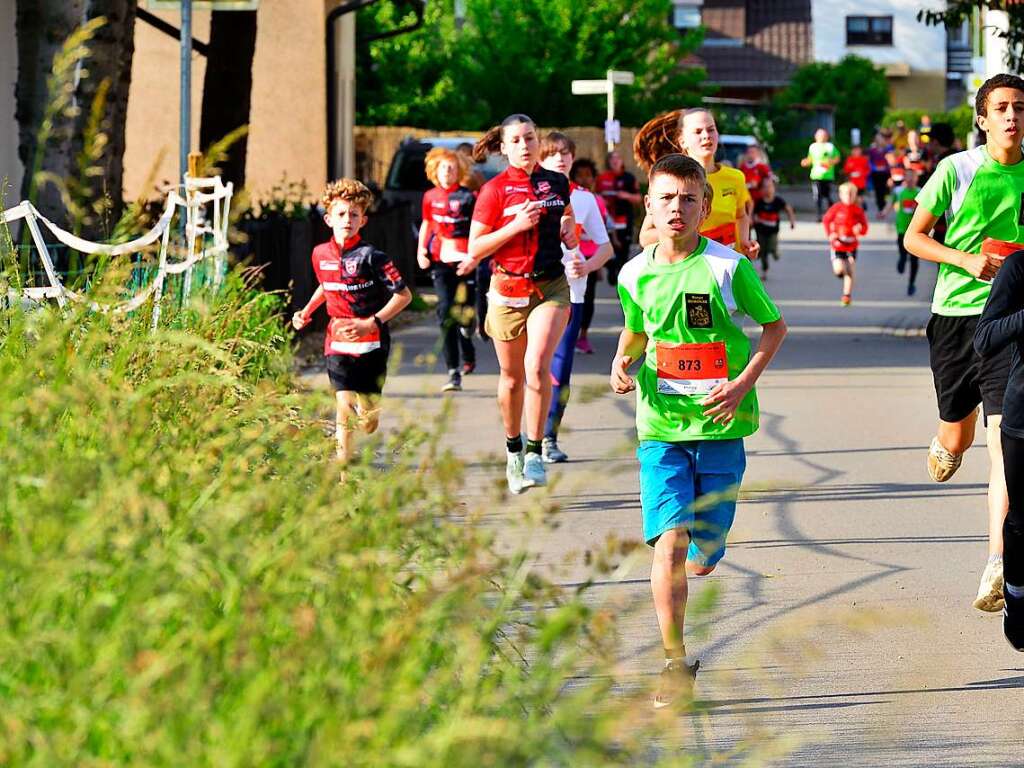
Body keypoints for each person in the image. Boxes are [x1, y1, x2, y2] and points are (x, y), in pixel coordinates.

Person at [610, 153, 787, 708]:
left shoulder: (728, 267)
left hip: (720, 424)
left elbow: (774, 327)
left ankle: (704, 556)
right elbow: (638, 331)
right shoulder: (633, 273)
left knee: (703, 552)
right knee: (669, 543)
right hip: (660, 425)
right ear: (650, 206)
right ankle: (673, 661)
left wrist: (741, 383)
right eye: (666, 198)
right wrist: (623, 360)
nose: (677, 209)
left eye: (689, 199)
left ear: (705, 206)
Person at [903, 73, 1024, 612]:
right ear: (982, 118)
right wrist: (967, 260)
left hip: (1013, 320)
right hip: (955, 315)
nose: (1012, 117)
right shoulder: (957, 169)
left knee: (1007, 445)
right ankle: (948, 437)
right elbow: (915, 237)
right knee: (959, 433)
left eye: (1020, 107)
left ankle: (998, 561)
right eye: (1001, 108)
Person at [457, 113, 578, 494]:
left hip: (551, 286)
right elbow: (475, 248)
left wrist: (569, 233)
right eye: (517, 140)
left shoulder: (557, 182)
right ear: (504, 147)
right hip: (508, 289)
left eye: (530, 138)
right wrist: (514, 226)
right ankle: (512, 451)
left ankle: (535, 451)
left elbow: (568, 228)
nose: (525, 145)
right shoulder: (492, 191)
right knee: (511, 378)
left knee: (537, 364)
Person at [292, 179, 413, 465]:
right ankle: (345, 475)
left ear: (363, 220)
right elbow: (327, 285)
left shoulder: (373, 257)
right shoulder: (320, 254)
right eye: (342, 213)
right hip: (338, 341)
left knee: (368, 423)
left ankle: (367, 414)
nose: (348, 219)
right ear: (328, 218)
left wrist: (371, 323)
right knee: (343, 404)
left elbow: (404, 296)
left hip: (372, 343)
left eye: (354, 214)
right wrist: (306, 311)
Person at [537, 133, 613, 462]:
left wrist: (589, 264)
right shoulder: (526, 193)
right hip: (529, 294)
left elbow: (606, 247)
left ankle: (548, 437)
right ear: (541, 158)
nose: (561, 158)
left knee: (560, 369)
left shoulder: (584, 199)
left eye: (566, 153)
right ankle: (525, 437)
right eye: (553, 153)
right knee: (531, 369)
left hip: (572, 293)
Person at [974, 243, 1024, 651]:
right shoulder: (1019, 268)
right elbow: (985, 338)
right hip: (1023, 421)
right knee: (1021, 523)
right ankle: (1016, 592)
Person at [634, 108, 758, 260]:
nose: (706, 136)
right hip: (690, 269)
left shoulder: (735, 177)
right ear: (682, 140)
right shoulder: (671, 181)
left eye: (711, 130)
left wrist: (745, 243)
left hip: (729, 266)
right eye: (698, 132)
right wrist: (692, 236)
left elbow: (741, 216)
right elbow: (645, 238)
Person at [417, 147, 477, 392]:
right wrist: (421, 250)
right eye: (443, 167)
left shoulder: (469, 197)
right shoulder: (430, 197)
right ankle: (453, 371)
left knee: (465, 312)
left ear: (459, 171)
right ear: (435, 170)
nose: (448, 172)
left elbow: (478, 229)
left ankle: (468, 338)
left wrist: (474, 256)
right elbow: (427, 224)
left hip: (466, 261)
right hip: (441, 262)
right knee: (445, 313)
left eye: (452, 168)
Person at [571, 157, 618, 355]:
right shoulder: (569, 198)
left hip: (591, 257)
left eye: (588, 176)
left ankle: (583, 335)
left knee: (587, 300)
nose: (584, 179)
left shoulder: (596, 201)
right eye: (579, 175)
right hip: (571, 257)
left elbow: (606, 226)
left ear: (594, 179)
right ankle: (568, 334)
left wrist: (612, 242)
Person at [595, 150, 642, 285]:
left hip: (624, 220)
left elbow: (638, 198)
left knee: (623, 250)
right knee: (608, 248)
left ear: (622, 161)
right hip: (607, 220)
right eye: (612, 158)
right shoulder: (602, 178)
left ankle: (621, 277)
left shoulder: (629, 178)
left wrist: (625, 196)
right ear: (608, 162)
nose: (615, 161)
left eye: (618, 158)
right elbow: (595, 196)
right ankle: (611, 268)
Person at [822, 182, 868, 306]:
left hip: (852, 245)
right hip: (837, 244)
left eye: (851, 194)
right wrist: (830, 233)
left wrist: (860, 229)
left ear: (855, 195)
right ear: (840, 195)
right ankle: (841, 273)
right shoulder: (836, 208)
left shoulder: (858, 210)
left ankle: (846, 295)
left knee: (850, 268)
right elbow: (826, 220)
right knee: (839, 270)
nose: (849, 196)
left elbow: (865, 227)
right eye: (846, 194)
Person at [752, 177, 795, 277]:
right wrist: (752, 219)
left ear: (774, 188)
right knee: (762, 251)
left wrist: (792, 221)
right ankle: (765, 269)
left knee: (772, 248)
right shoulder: (759, 202)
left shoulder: (777, 200)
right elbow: (752, 213)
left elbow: (788, 209)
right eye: (765, 187)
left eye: (770, 187)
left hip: (773, 231)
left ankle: (775, 251)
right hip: (761, 230)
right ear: (761, 189)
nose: (767, 189)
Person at [889, 168, 920, 296]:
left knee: (914, 259)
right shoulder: (899, 191)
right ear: (904, 178)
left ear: (916, 179)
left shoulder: (920, 192)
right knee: (902, 250)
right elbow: (891, 203)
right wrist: (884, 213)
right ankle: (902, 258)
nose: (910, 180)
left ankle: (911, 283)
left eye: (912, 177)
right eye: (907, 177)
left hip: (916, 229)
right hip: (901, 226)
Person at [801, 128, 841, 221]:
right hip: (816, 176)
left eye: (823, 135)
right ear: (816, 136)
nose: (821, 137)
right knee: (817, 195)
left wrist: (831, 161)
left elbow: (837, 158)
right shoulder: (813, 147)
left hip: (828, 175)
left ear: (827, 137)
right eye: (819, 135)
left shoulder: (830, 146)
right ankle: (818, 216)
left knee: (827, 196)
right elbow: (810, 159)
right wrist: (806, 162)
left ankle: (831, 214)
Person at [868, 132, 893, 216]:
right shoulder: (872, 150)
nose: (879, 140)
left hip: (885, 173)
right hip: (876, 173)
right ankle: (880, 208)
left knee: (885, 190)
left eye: (881, 138)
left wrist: (887, 169)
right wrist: (874, 167)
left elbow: (890, 160)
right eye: (877, 138)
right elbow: (870, 161)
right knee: (878, 191)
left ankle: (886, 207)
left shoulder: (888, 149)